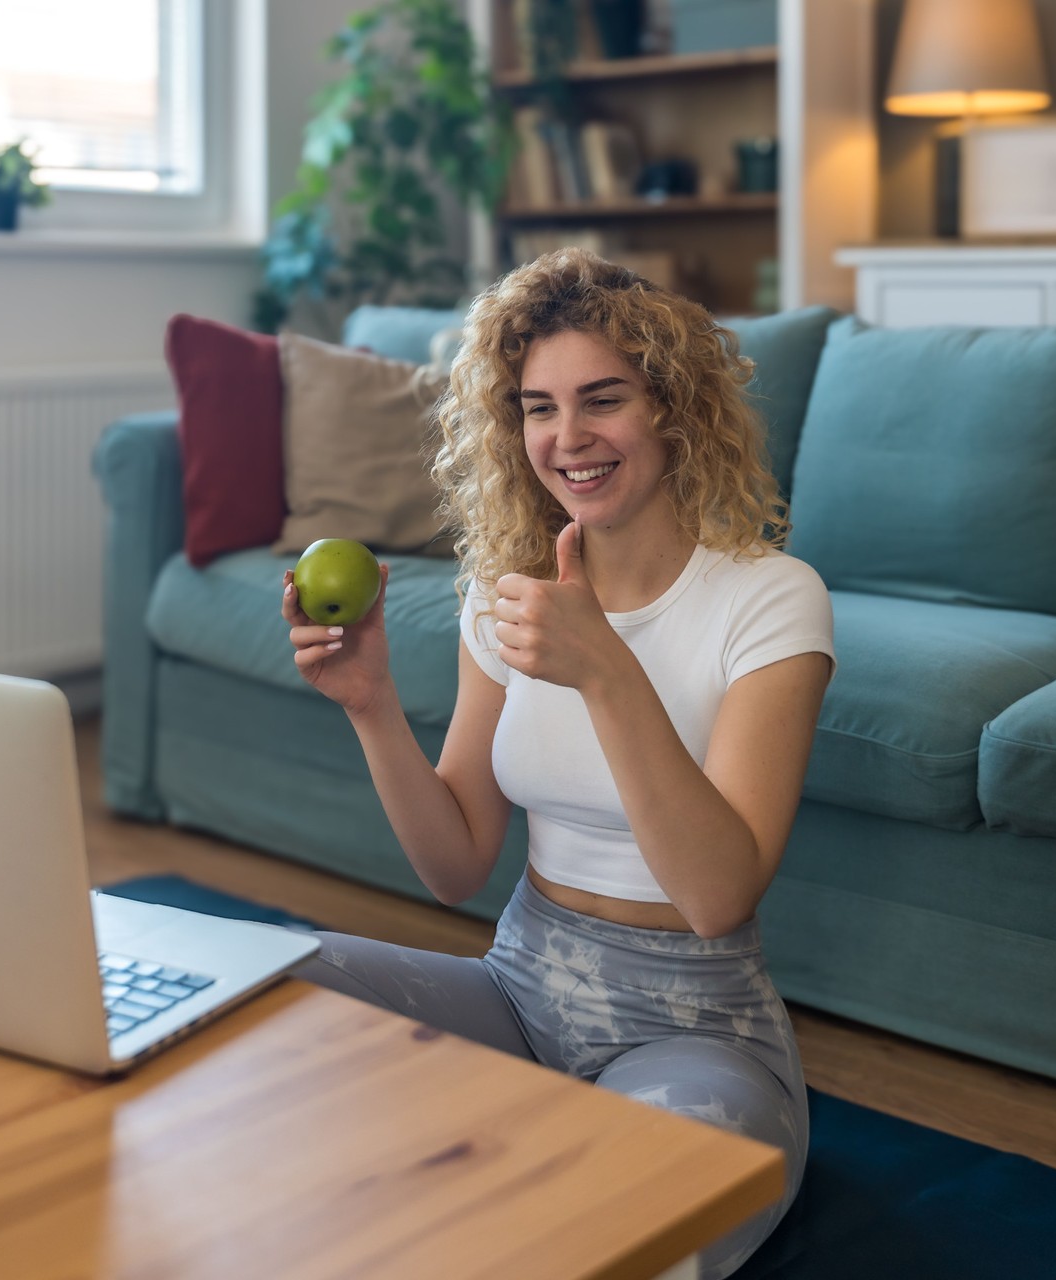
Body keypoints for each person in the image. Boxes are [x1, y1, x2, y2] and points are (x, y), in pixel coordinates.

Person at [278, 249, 834, 1279]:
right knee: (280, 990)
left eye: (601, 399)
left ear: (670, 407)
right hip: (515, 994)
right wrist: (371, 706)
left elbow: (718, 893)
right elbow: (456, 865)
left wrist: (606, 672)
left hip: (697, 1036)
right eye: (537, 407)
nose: (567, 437)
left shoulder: (770, 600)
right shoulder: (505, 594)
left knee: (602, 1223)